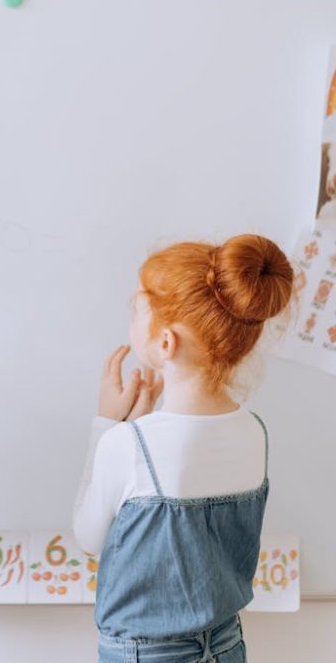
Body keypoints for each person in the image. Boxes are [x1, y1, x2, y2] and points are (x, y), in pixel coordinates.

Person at [73, 234, 293, 663]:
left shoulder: (128, 443)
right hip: (228, 644)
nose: (132, 318)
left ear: (166, 343)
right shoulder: (254, 431)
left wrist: (106, 424)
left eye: (138, 309)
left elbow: (88, 537)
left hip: (145, 653)